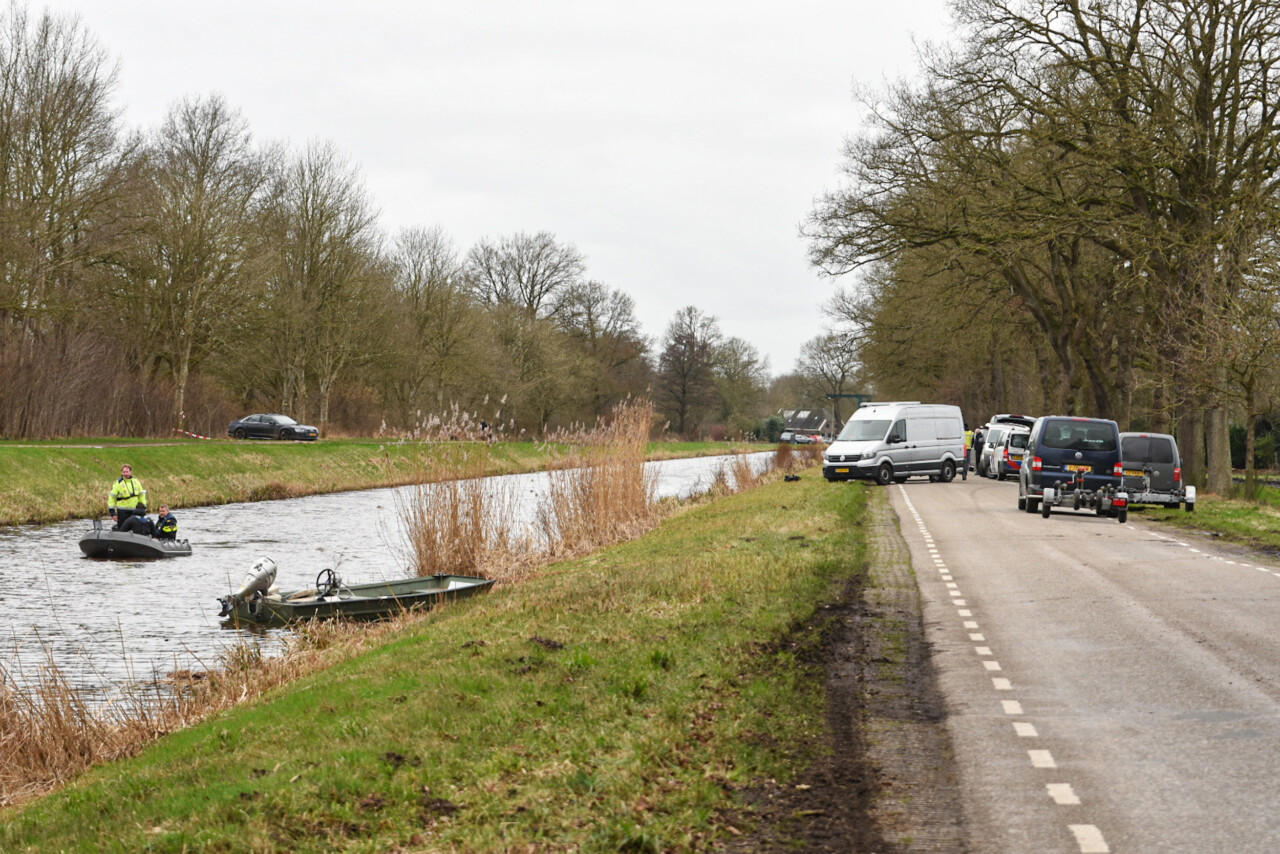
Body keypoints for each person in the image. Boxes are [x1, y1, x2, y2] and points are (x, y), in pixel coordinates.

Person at [108, 463, 148, 530]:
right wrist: (112, 513)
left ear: (131, 472)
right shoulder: (118, 483)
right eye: (124, 472)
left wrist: (143, 507)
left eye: (127, 472)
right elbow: (112, 498)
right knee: (122, 528)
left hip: (134, 510)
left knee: (135, 528)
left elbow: (141, 495)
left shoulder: (136, 482)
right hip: (122, 510)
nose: (125, 473)